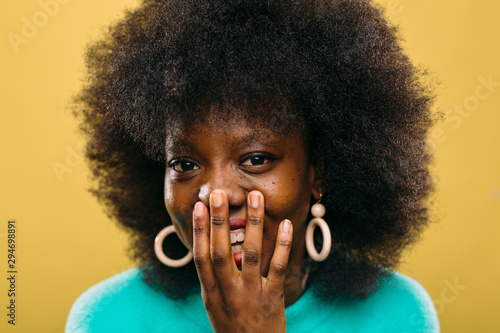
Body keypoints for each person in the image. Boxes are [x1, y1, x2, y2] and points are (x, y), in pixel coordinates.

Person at [66, 0, 439, 331]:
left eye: (256, 159)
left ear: (318, 173)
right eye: (184, 163)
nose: (216, 195)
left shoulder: (397, 314)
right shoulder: (108, 318)